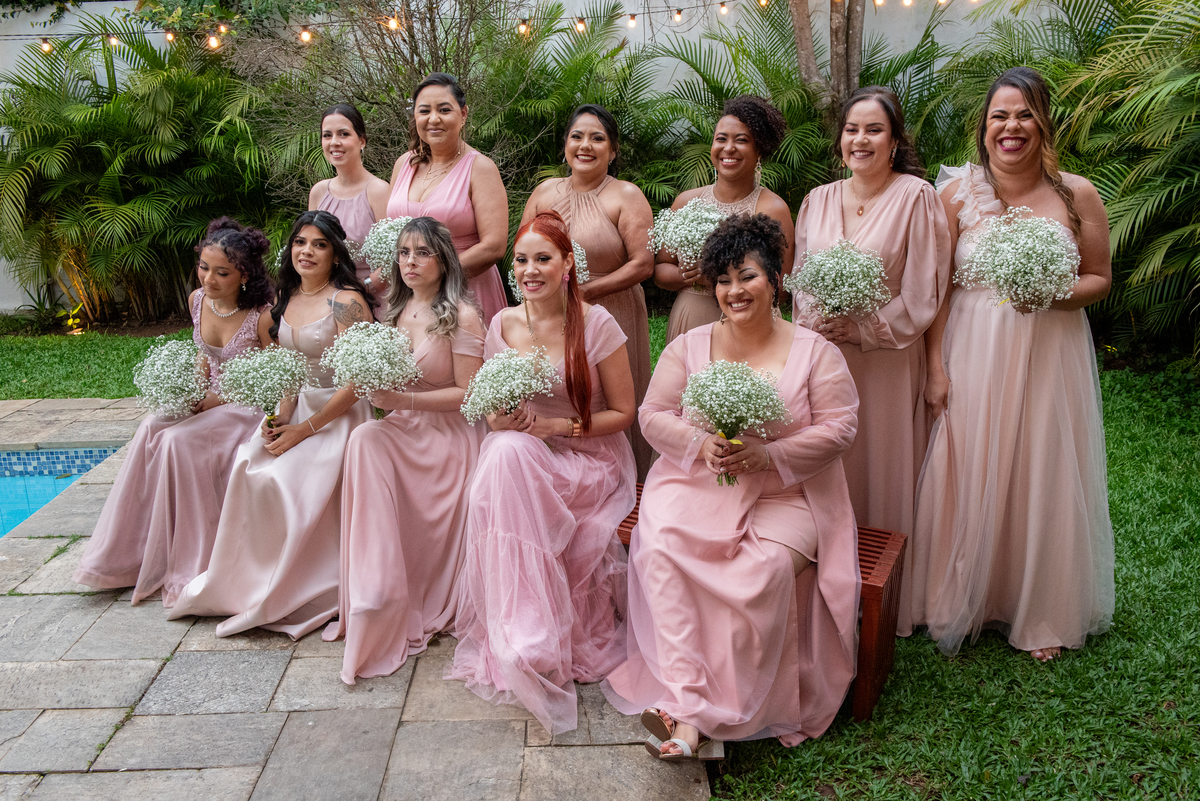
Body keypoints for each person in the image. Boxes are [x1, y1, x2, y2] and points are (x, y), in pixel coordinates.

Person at [604, 213, 860, 757]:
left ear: (775, 281)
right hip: (698, 486)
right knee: (662, 554)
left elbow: (841, 428)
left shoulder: (816, 352)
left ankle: (694, 716)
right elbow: (652, 414)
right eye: (722, 279)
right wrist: (700, 444)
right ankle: (692, 713)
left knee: (757, 575)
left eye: (747, 276)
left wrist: (771, 455)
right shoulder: (691, 346)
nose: (734, 290)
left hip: (789, 495)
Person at [914, 67, 1115, 662]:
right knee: (972, 457)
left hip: (1050, 350)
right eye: (1000, 115)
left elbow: (1100, 279)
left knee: (1042, 463)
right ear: (984, 127)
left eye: (1025, 114)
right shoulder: (957, 194)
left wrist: (1054, 293)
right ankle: (967, 598)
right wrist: (935, 367)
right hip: (972, 349)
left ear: (1044, 123)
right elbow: (941, 289)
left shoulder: (1076, 194)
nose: (1011, 127)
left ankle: (1041, 609)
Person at [448, 210, 637, 735]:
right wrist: (500, 419)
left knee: (507, 459)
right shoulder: (502, 323)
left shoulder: (596, 324)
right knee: (504, 451)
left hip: (589, 457)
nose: (530, 271)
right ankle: (523, 629)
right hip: (527, 455)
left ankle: (536, 630)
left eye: (543, 259)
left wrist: (558, 426)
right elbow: (489, 409)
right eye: (522, 260)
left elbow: (625, 413)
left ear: (568, 264)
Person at [169, 210, 375, 639]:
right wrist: (280, 417)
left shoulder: (348, 303)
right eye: (301, 242)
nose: (308, 251)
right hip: (298, 408)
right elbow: (287, 371)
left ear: (336, 253)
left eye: (319, 244)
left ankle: (302, 586)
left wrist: (306, 428)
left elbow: (359, 382)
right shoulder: (287, 298)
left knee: (286, 478)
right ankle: (246, 583)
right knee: (250, 460)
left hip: (337, 416)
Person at [792, 86, 952, 635]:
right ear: (840, 140)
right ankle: (829, 584)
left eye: (874, 130)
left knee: (879, 465)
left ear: (895, 140)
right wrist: (817, 328)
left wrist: (864, 327)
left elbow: (925, 291)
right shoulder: (816, 199)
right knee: (829, 464)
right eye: (852, 129)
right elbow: (802, 279)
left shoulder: (917, 197)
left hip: (887, 360)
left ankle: (884, 597)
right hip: (826, 357)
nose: (861, 139)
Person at [74, 218, 274, 607]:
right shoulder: (197, 301)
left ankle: (193, 563)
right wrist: (191, 390)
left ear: (245, 275)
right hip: (208, 397)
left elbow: (270, 376)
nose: (208, 279)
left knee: (177, 441)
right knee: (152, 425)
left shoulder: (262, 315)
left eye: (222, 272)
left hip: (244, 404)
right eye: (203, 267)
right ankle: (127, 556)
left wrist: (219, 397)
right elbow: (204, 353)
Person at [322, 217, 487, 684]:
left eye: (421, 253)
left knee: (370, 438)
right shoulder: (392, 312)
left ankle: (408, 589)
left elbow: (469, 394)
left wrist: (402, 400)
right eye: (403, 253)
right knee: (364, 439)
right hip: (402, 428)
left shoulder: (462, 315)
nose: (410, 262)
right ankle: (375, 590)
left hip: (449, 437)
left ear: (443, 260)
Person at [522, 104, 655, 480]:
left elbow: (642, 264)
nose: (585, 145)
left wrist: (586, 293)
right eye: (577, 136)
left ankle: (624, 480)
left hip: (611, 309)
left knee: (614, 398)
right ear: (565, 144)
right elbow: (523, 249)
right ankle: (549, 472)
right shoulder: (544, 192)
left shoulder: (626, 196)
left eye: (597, 138)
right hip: (549, 311)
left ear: (612, 151)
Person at [655, 95, 795, 345]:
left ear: (759, 150)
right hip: (691, 316)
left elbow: (781, 290)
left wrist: (723, 279)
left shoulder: (772, 209)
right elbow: (660, 270)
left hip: (747, 325)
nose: (728, 148)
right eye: (721, 139)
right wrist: (686, 275)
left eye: (741, 140)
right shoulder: (686, 201)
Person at [386, 73, 509, 324]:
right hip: (408, 295)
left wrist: (436, 274)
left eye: (444, 109)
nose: (434, 119)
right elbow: (389, 234)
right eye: (424, 111)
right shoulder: (403, 164)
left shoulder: (480, 168)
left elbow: (494, 246)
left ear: (463, 114)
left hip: (465, 294)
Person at [309, 103, 391, 318]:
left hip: (374, 302)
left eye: (343, 134)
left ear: (361, 140)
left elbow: (393, 259)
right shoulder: (318, 192)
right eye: (327, 135)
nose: (334, 142)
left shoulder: (379, 191)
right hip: (324, 302)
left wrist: (359, 291)